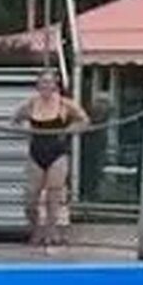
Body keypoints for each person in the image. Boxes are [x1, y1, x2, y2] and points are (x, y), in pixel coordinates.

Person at [13, 69, 89, 246]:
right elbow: (15, 119)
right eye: (43, 82)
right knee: (31, 198)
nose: (46, 85)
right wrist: (25, 126)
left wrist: (70, 130)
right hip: (36, 152)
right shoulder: (30, 104)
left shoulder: (65, 104)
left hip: (57, 152)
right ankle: (36, 229)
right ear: (38, 85)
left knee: (53, 195)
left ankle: (51, 232)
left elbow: (84, 120)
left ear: (55, 85)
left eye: (50, 82)